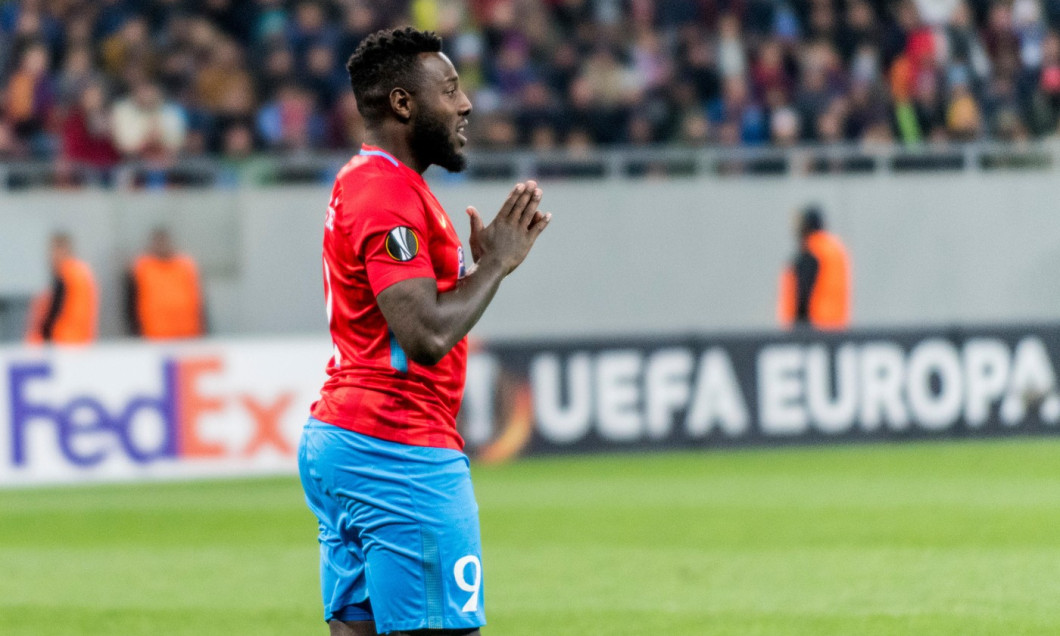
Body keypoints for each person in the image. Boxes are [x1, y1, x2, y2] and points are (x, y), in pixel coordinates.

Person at [297, 27, 551, 636]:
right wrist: (496, 264)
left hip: (347, 440)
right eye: (451, 89)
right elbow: (424, 335)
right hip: (399, 451)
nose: (465, 104)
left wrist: (481, 270)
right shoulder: (387, 195)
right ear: (403, 104)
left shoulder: (370, 181)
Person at [777, 205, 852, 330]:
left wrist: (797, 329)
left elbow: (802, 296)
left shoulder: (811, 254)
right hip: (835, 327)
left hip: (813, 328)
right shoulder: (834, 250)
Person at [124, 227, 205, 340]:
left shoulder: (186, 266)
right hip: (154, 334)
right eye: (158, 242)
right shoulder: (142, 268)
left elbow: (199, 301)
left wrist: (203, 329)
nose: (162, 246)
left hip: (187, 333)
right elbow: (131, 303)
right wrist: (135, 332)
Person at [25, 232, 97, 345]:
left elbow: (56, 308)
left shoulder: (66, 274)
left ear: (62, 250)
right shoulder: (82, 272)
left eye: (52, 251)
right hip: (81, 340)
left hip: (62, 340)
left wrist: (44, 334)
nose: (50, 256)